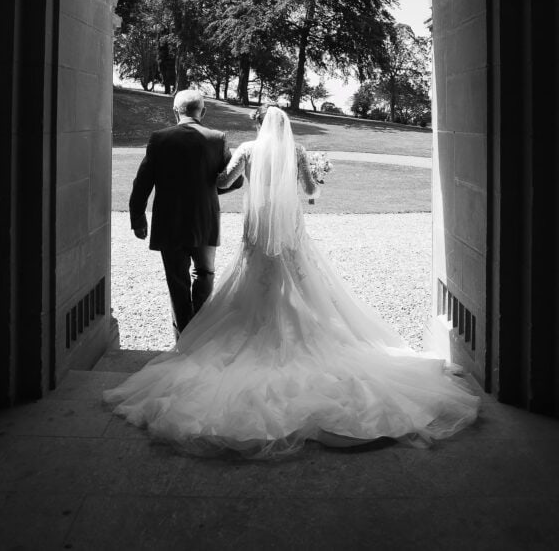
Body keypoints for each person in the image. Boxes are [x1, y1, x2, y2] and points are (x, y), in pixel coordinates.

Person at [105, 104, 479, 459]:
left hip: (258, 228)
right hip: (289, 231)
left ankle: (237, 331)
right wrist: (318, 178)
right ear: (284, 125)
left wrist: (215, 178)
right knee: (299, 284)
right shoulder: (297, 151)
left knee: (252, 281)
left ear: (258, 124)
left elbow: (222, 179)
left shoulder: (249, 150)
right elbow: (311, 191)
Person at [128, 88, 242, 338]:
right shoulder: (216, 138)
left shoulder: (159, 138)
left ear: (174, 111)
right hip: (204, 219)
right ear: (204, 110)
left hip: (169, 221)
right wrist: (208, 191)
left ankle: (183, 336)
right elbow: (236, 181)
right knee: (205, 273)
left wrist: (138, 218)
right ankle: (199, 334)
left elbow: (143, 182)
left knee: (177, 281)